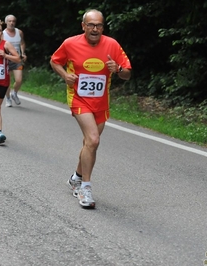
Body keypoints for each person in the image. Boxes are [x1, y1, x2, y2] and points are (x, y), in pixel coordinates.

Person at [50, 9, 132, 208]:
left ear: (103, 27)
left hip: (101, 103)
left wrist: (118, 70)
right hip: (79, 99)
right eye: (91, 25)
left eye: (99, 25)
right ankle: (85, 189)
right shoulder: (70, 43)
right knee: (93, 139)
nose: (95, 29)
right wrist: (65, 76)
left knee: (90, 143)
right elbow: (54, 61)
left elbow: (127, 73)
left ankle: (76, 178)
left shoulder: (112, 44)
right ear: (83, 26)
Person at [2, 14, 27, 107]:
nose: (12, 23)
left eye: (13, 21)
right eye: (10, 21)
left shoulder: (19, 32)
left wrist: (23, 53)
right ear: (6, 22)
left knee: (19, 79)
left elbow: (22, 43)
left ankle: (14, 93)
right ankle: (8, 98)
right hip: (6, 59)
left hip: (17, 59)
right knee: (7, 81)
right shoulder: (2, 34)